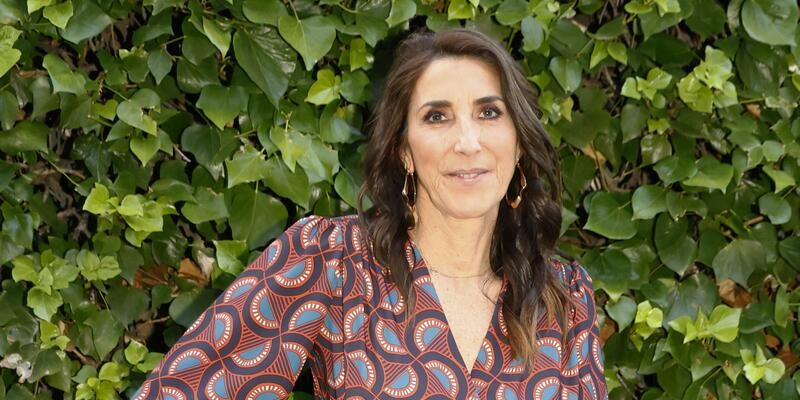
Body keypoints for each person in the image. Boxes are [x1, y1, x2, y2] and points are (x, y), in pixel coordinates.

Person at [133, 28, 607, 399]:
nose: (468, 142)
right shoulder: (336, 261)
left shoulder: (564, 302)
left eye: (489, 113)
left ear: (518, 142)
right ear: (404, 150)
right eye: (437, 117)